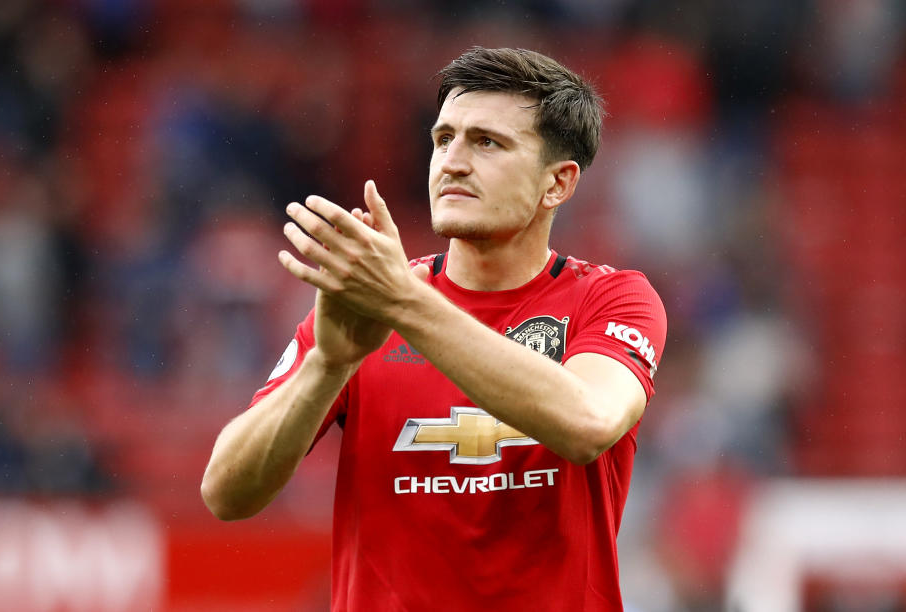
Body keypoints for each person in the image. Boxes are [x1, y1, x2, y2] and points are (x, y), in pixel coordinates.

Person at [201, 47, 667, 611]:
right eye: (444, 138)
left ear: (558, 184)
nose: (453, 162)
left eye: (487, 142)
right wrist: (329, 365)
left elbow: (587, 421)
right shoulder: (368, 303)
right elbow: (225, 493)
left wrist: (403, 303)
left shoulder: (611, 300)